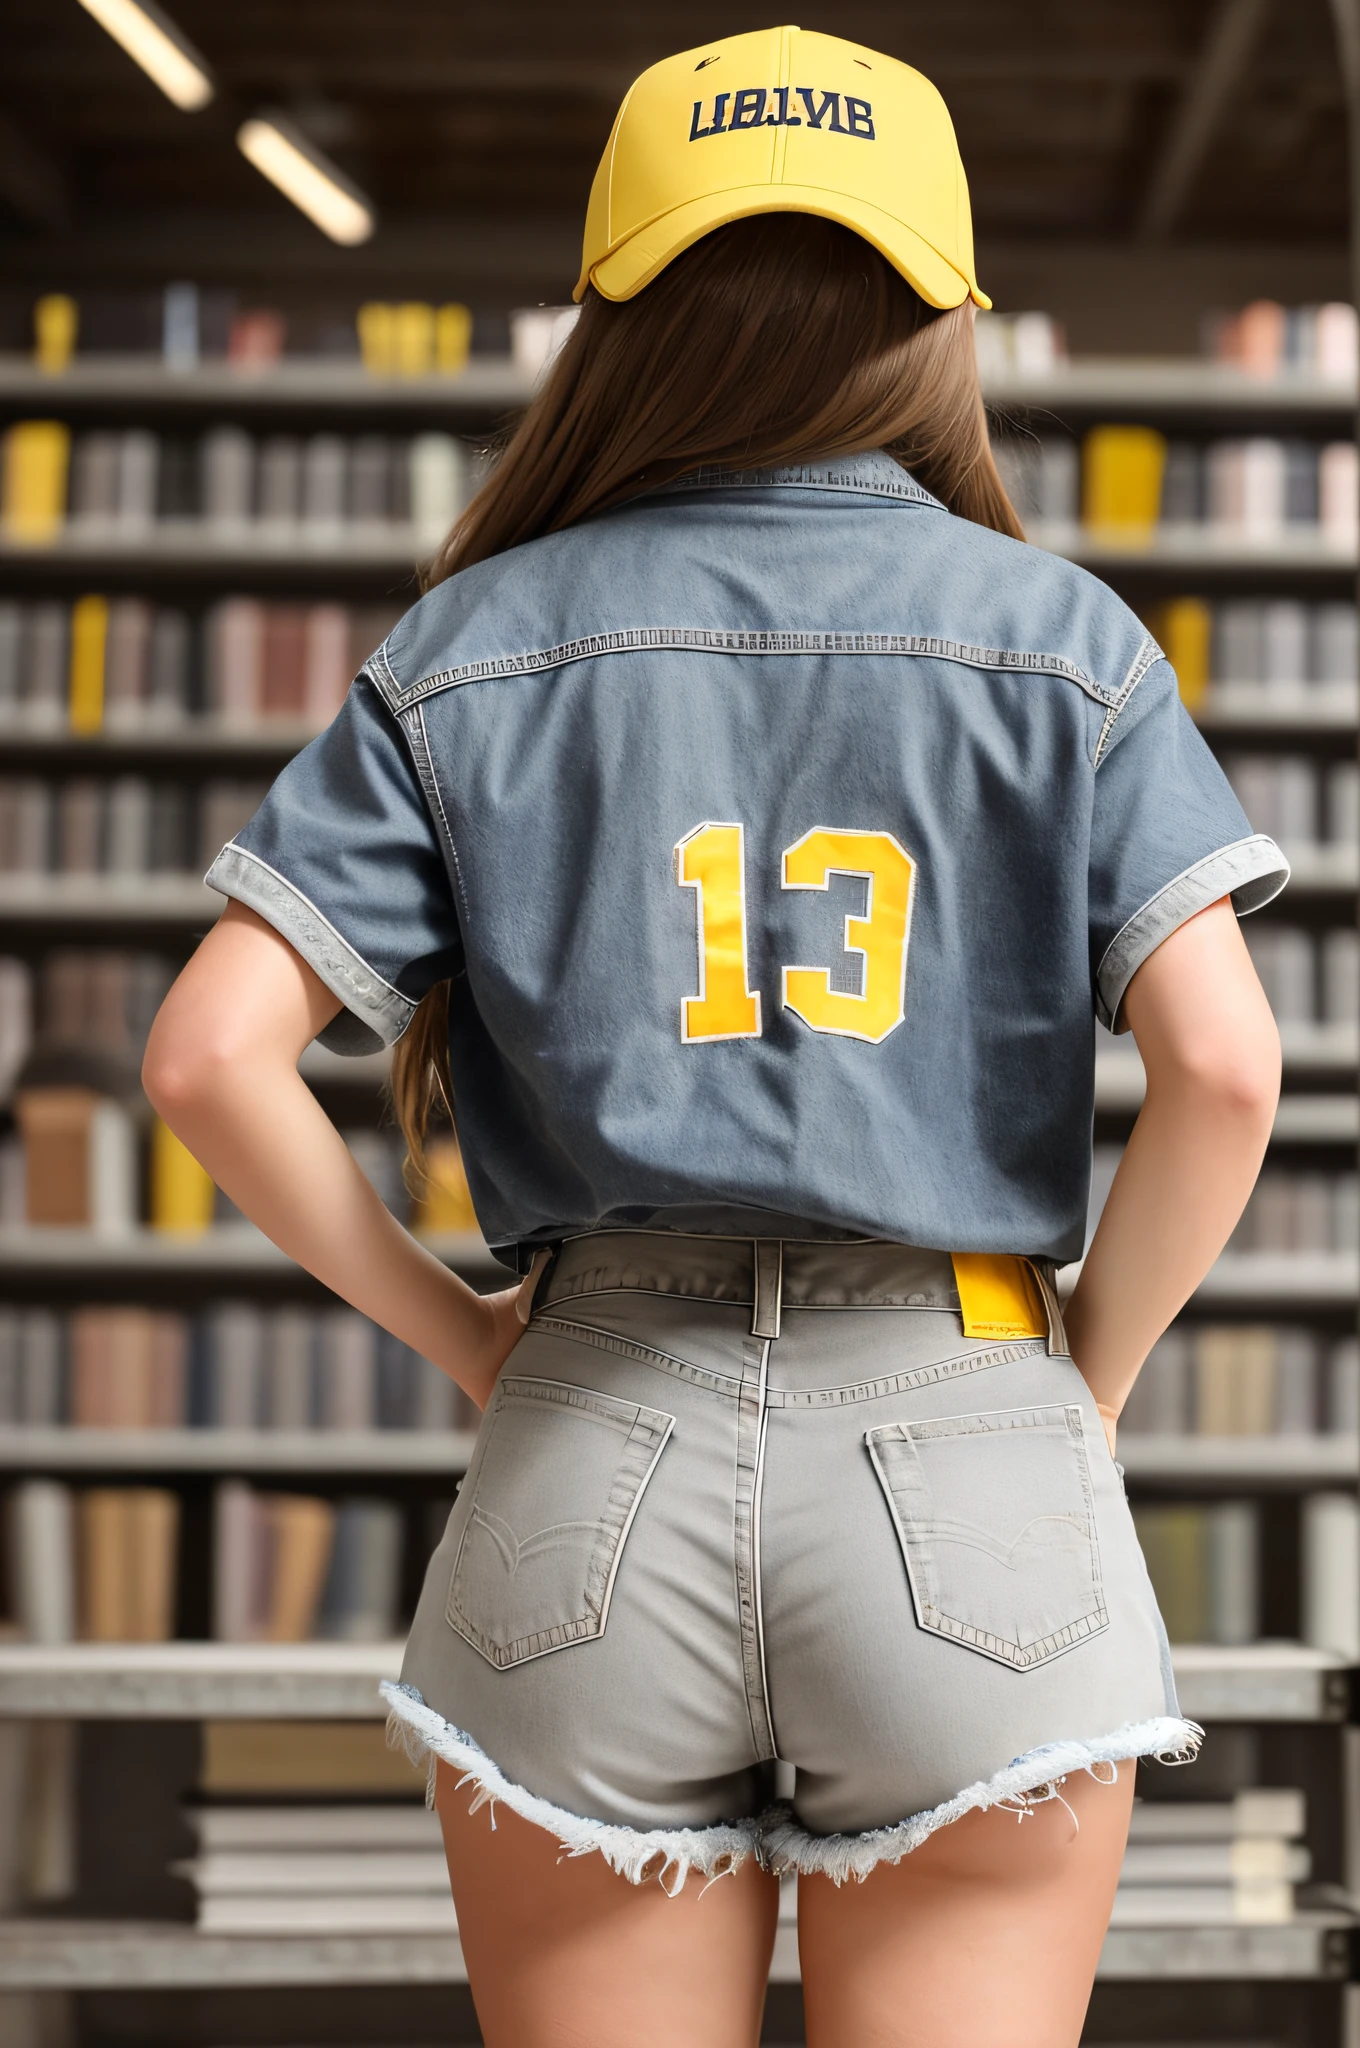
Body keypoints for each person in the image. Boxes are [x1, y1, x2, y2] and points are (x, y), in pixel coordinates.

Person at [143, 26, 1286, 2048]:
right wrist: (1074, 1379)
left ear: (608, 306)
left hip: (594, 1436)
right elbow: (1219, 1067)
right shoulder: (1062, 641)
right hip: (969, 1441)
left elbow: (205, 1057)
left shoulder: (470, 641)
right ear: (942, 313)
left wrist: (471, 1334)